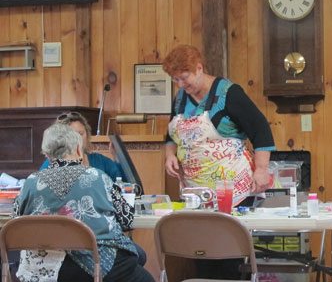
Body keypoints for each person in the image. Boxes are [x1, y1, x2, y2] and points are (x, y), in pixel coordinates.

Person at [12, 123, 154, 282]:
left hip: (45, 266)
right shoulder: (97, 176)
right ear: (79, 150)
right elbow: (126, 220)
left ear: (46, 154)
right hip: (96, 264)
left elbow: (17, 219)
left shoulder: (31, 182)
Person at [163, 44, 276, 207]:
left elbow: (260, 129)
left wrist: (261, 169)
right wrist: (170, 155)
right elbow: (171, 135)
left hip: (236, 193)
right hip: (196, 194)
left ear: (199, 68)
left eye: (184, 77)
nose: (180, 84)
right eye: (175, 79)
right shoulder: (180, 98)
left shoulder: (228, 93)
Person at [40, 111, 125, 182]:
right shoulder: (50, 164)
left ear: (87, 135)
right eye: (72, 135)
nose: (78, 140)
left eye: (80, 134)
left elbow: (123, 185)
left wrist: (117, 157)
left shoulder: (100, 161)